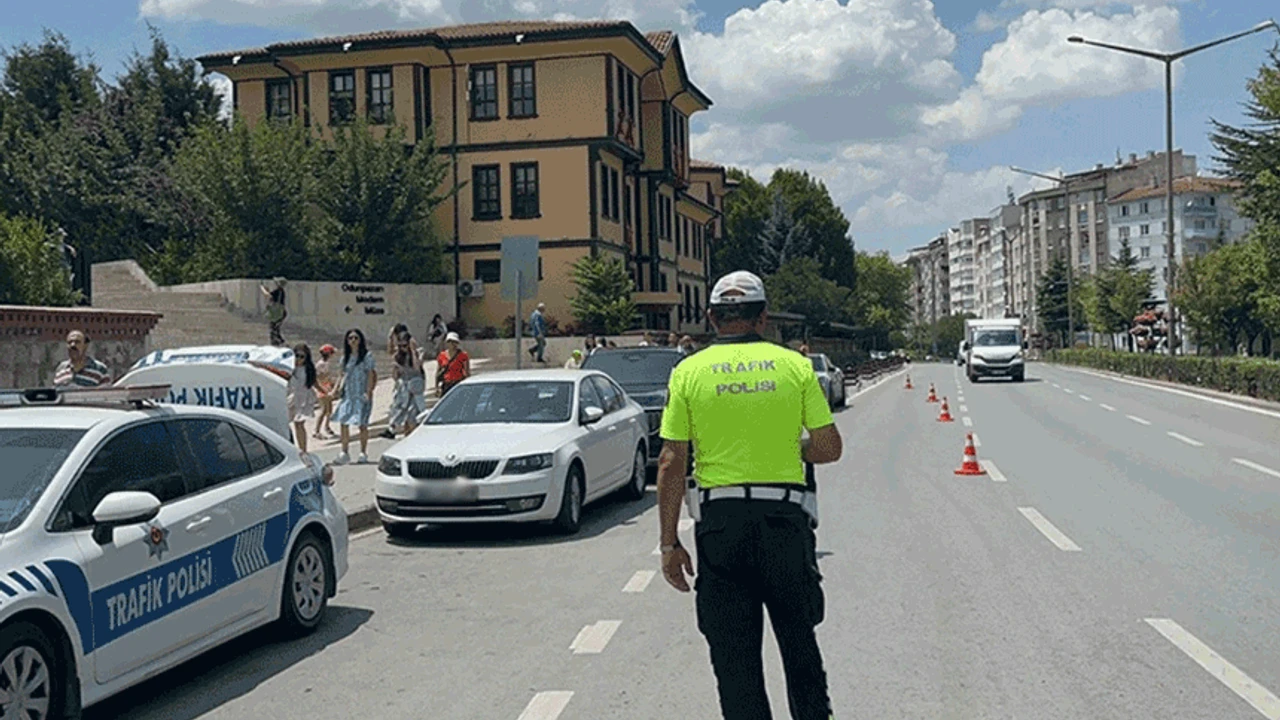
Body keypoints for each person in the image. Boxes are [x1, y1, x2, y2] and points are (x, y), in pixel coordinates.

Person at [656, 270, 843, 720]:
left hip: (722, 529)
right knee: (800, 647)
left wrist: (668, 543)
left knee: (735, 662)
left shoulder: (688, 371)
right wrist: (788, 444)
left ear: (711, 317)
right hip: (784, 525)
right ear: (763, 317)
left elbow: (671, 461)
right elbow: (828, 448)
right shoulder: (794, 366)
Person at [332, 329, 377, 465]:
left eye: (356, 338)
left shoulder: (366, 357)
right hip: (348, 395)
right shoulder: (344, 359)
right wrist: (336, 389)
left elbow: (370, 374)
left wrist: (368, 392)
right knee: (343, 421)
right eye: (350, 338)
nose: (353, 340)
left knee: (362, 424)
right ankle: (344, 451)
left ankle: (363, 452)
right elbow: (341, 375)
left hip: (361, 394)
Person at [387, 330, 427, 438]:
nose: (403, 348)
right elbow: (395, 377)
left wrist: (413, 351)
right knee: (403, 416)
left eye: (405, 345)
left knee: (413, 417)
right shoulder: (398, 356)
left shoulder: (418, 353)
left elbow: (417, 368)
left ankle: (414, 440)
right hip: (404, 390)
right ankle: (405, 438)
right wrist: (396, 367)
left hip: (415, 389)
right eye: (401, 345)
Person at [287, 343, 319, 453]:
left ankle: (303, 450)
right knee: (286, 424)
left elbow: (314, 383)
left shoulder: (308, 369)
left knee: (299, 424)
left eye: (302, 356)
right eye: (297, 356)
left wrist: (326, 392)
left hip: (303, 399)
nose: (299, 359)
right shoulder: (289, 368)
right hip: (290, 398)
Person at [314, 344, 338, 439]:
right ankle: (316, 430)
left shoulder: (326, 363)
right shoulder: (321, 364)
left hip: (327, 387)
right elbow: (319, 377)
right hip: (322, 388)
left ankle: (327, 426)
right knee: (323, 410)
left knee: (329, 409)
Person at [436, 332, 470, 397]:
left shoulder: (463, 355)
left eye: (454, 342)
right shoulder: (442, 355)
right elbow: (438, 372)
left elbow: (467, 372)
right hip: (446, 384)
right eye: (450, 342)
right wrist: (437, 387)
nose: (452, 344)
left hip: (457, 383)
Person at [261, 277, 287, 346]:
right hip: (281, 312)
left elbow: (268, 295)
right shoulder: (281, 292)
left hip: (276, 313)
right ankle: (280, 341)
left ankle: (277, 342)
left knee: (273, 328)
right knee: (276, 328)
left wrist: (262, 288)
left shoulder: (278, 291)